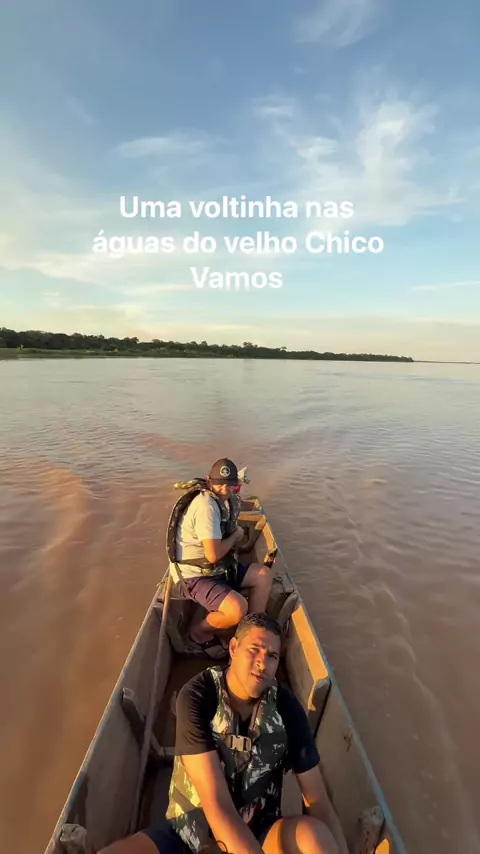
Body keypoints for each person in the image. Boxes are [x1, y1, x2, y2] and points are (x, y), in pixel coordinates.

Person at [99, 613, 349, 854]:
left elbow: (318, 801)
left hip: (259, 830)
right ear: (233, 648)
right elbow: (216, 804)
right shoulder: (198, 696)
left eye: (272, 656)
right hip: (192, 830)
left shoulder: (286, 707)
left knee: (316, 838)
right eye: (254, 650)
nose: (262, 663)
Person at [166, 458, 273, 657]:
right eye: (220, 484)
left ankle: (248, 635)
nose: (225, 489)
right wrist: (236, 536)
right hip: (194, 576)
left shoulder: (224, 500)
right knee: (237, 608)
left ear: (236, 485)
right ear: (209, 481)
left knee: (263, 575)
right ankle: (197, 633)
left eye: (230, 485)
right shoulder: (206, 506)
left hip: (217, 569)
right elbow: (213, 555)